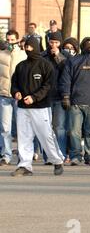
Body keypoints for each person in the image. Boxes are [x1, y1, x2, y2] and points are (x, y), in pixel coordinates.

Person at [10, 37, 65, 176]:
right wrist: (16, 92)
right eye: (26, 47)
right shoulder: (21, 66)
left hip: (41, 107)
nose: (27, 49)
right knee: (24, 136)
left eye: (30, 47)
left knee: (46, 135)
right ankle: (25, 165)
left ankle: (57, 161)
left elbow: (48, 86)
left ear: (35, 47)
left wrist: (34, 97)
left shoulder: (46, 65)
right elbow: (14, 83)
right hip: (23, 108)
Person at [59, 37, 90, 166]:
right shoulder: (73, 62)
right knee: (76, 131)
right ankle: (76, 155)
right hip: (77, 102)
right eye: (88, 45)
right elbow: (66, 80)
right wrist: (65, 96)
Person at [41, 31, 70, 164]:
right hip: (45, 97)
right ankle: (48, 157)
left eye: (56, 42)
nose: (53, 45)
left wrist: (58, 56)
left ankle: (61, 155)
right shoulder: (43, 56)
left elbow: (67, 70)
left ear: (60, 43)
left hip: (59, 96)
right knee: (46, 128)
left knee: (59, 128)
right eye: (51, 42)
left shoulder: (66, 56)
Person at [0, 30, 27, 166]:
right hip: (4, 95)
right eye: (8, 40)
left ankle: (23, 156)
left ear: (17, 40)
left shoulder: (23, 55)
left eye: (12, 40)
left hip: (18, 96)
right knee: (5, 128)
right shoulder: (1, 55)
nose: (10, 42)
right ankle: (6, 155)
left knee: (21, 128)